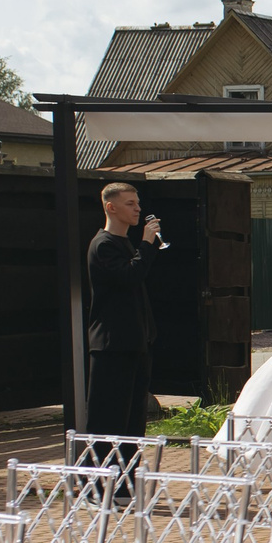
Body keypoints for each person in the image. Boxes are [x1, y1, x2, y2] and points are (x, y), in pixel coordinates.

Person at [85, 181, 162, 442]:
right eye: (130, 203)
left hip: (136, 344)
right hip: (112, 346)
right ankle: (99, 480)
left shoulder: (126, 243)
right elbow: (130, 276)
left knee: (133, 422)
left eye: (138, 203)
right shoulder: (103, 245)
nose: (138, 209)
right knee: (109, 419)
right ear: (111, 207)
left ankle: (126, 480)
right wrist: (148, 244)